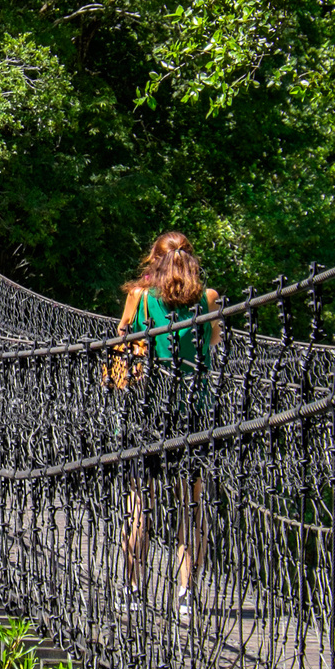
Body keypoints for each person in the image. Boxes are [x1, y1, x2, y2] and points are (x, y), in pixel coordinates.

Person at [116, 231, 220, 616]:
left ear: (154, 259)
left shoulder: (141, 298)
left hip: (147, 412)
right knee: (191, 505)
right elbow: (211, 344)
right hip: (192, 413)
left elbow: (122, 338)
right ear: (190, 259)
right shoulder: (208, 299)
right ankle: (184, 595)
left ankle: (130, 588)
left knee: (139, 503)